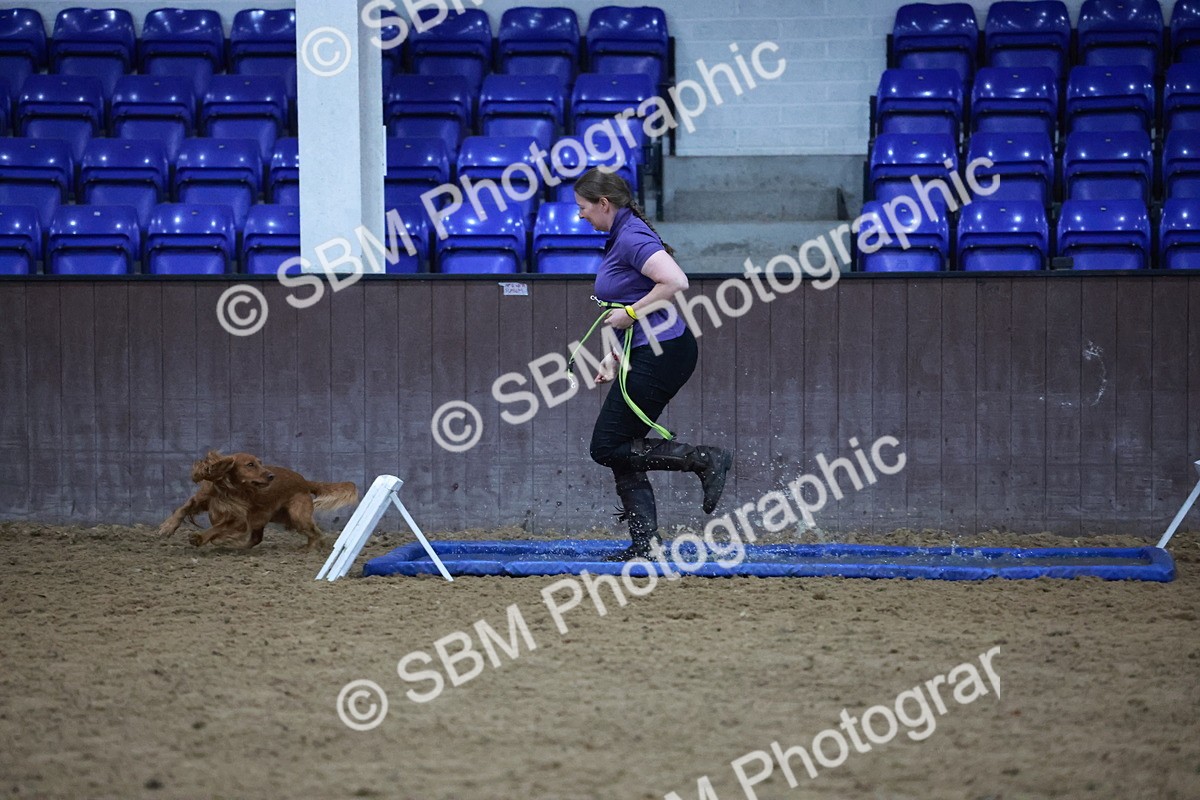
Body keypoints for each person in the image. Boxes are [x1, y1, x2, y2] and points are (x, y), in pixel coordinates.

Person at [573, 168, 734, 561]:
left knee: (607, 446)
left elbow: (675, 282)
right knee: (621, 446)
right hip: (648, 351)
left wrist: (630, 312)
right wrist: (614, 356)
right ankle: (645, 544)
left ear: (604, 204)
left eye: (583, 208)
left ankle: (705, 459)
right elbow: (629, 300)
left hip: (662, 353)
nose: (580, 215)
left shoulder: (630, 236)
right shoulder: (623, 234)